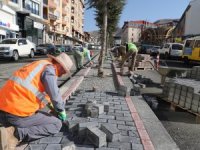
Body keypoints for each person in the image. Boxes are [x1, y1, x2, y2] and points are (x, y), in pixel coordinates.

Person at [0, 52, 73, 150]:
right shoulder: (50, 71)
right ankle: (14, 135)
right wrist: (61, 110)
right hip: (16, 115)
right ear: (60, 66)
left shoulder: (39, 65)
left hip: (3, 111)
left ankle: (11, 128)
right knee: (56, 124)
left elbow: (44, 96)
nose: (63, 74)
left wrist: (53, 108)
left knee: (45, 115)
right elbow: (55, 95)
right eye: (64, 71)